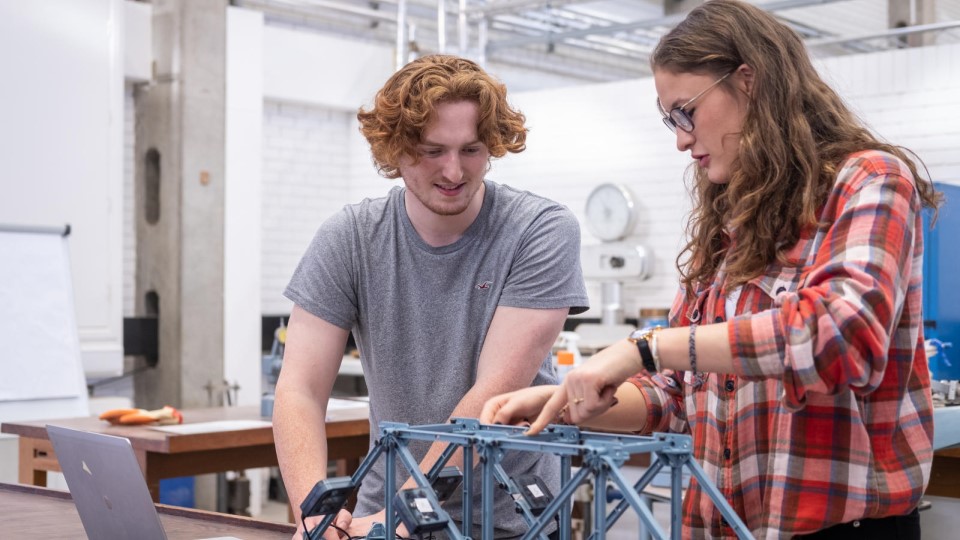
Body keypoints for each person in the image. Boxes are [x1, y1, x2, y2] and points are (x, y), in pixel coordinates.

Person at [481, 1, 940, 538]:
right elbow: (675, 393)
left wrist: (644, 347)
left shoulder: (867, 181)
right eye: (669, 120)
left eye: (686, 112)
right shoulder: (728, 220)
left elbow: (839, 337)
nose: (679, 138)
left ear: (748, 82)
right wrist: (565, 400)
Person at [274, 54, 589, 539]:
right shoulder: (350, 238)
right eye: (432, 150)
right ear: (395, 150)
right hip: (383, 515)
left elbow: (493, 396)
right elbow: (300, 390)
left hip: (508, 522)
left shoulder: (539, 231)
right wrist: (316, 512)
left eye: (471, 149)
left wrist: (401, 515)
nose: (453, 170)